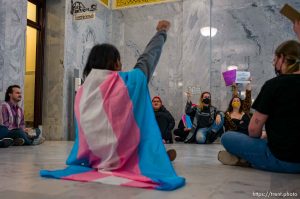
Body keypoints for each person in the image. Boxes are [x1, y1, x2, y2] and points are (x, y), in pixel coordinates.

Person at [40, 20, 185, 190]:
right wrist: (161, 32)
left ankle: (152, 156)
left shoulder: (82, 91)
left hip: (93, 158)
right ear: (115, 63)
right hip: (121, 155)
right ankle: (149, 157)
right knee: (140, 132)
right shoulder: (125, 83)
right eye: (120, 60)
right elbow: (148, 58)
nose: (121, 65)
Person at [218, 39, 300, 173]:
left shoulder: (273, 85)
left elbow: (253, 130)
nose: (274, 63)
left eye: (275, 59)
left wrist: (263, 136)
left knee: (228, 137)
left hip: (281, 159)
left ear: (282, 58)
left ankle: (245, 159)